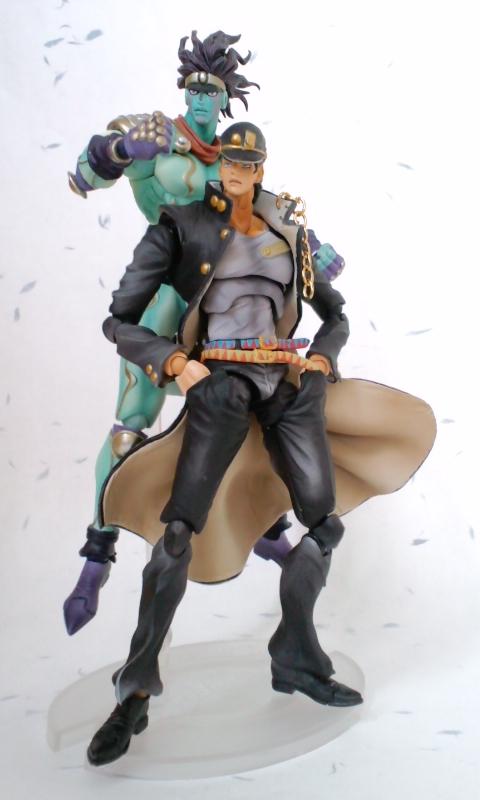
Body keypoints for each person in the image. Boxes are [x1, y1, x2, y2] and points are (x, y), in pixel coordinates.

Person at [84, 120, 437, 767]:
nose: (238, 173)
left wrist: (323, 359)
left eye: (249, 165)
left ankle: (294, 655)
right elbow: (119, 320)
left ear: (261, 168)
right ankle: (133, 693)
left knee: (324, 525)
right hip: (219, 383)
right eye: (230, 163)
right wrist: (174, 363)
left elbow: (335, 311)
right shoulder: (182, 225)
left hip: (287, 384)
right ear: (220, 164)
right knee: (177, 534)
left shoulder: (288, 229)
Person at [64, 33, 343, 634]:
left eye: (211, 91)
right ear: (182, 90)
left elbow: (269, 216)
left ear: (225, 101)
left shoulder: (232, 158)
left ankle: (268, 532)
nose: (199, 100)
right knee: (130, 424)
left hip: (226, 310)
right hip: (168, 293)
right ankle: (97, 551)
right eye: (193, 88)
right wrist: (119, 148)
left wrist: (312, 248)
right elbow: (82, 178)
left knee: (246, 415)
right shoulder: (155, 135)